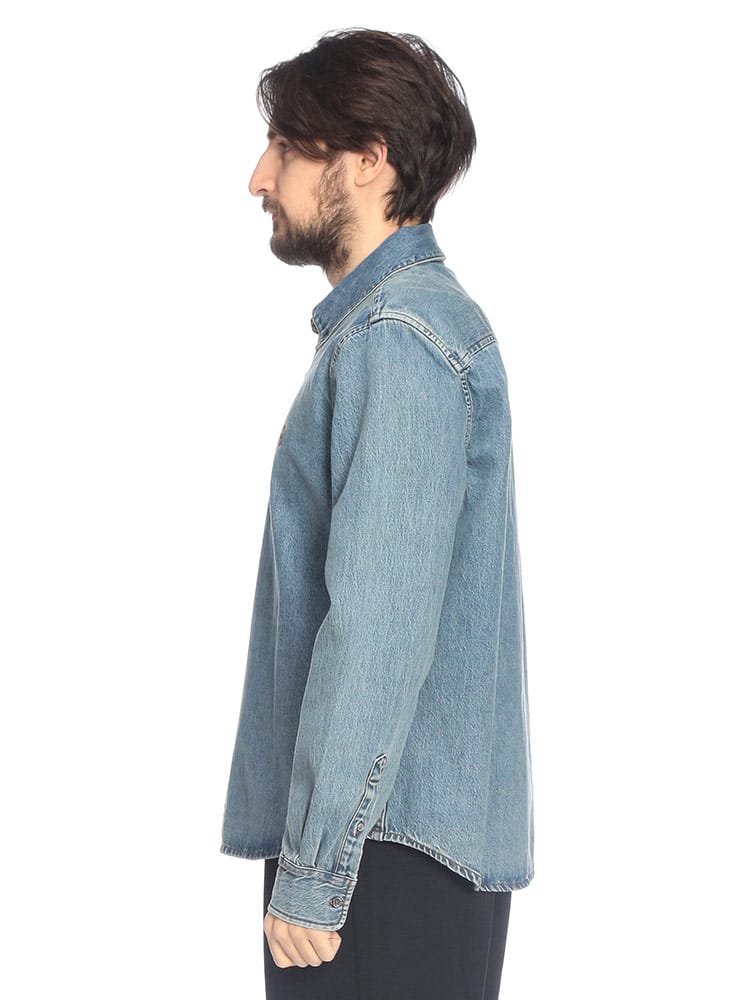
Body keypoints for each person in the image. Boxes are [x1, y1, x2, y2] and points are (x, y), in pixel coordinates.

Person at [219, 28, 535, 999]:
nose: (259, 177)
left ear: (367, 160)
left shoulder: (398, 340)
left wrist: (316, 871)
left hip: (376, 860)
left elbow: (378, 630)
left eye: (287, 147)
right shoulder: (399, 331)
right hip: (388, 846)